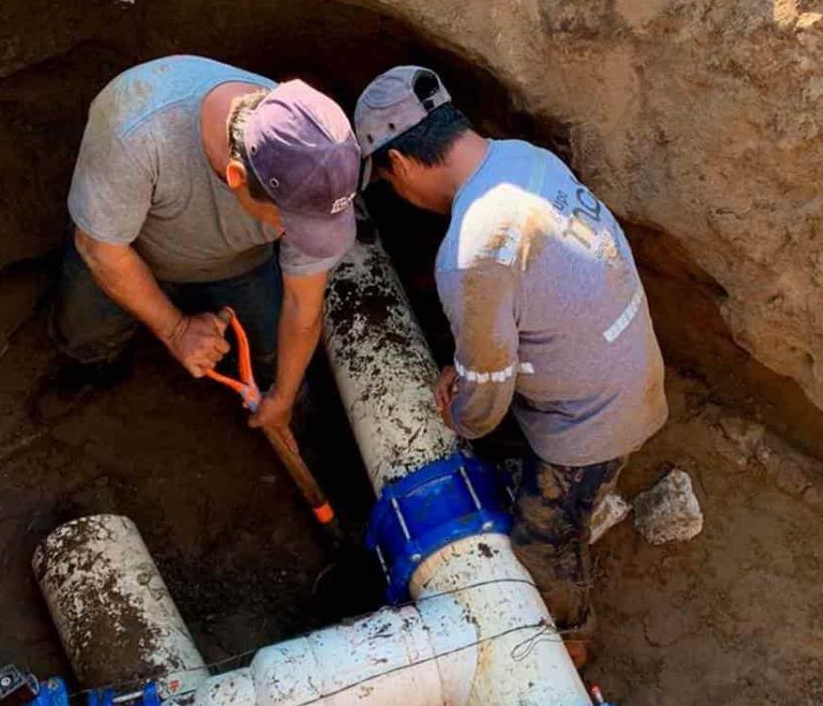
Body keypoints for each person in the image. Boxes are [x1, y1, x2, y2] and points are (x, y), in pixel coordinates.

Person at [353, 66, 669, 665]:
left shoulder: (471, 250)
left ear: (398, 165)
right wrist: (473, 365)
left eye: (388, 181)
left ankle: (571, 637)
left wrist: (461, 414)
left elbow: (485, 401)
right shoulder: (524, 161)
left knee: (542, 538)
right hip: (627, 368)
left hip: (593, 425)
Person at [47, 55, 359, 449]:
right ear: (236, 178)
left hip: (239, 264)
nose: (293, 237)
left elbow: (303, 306)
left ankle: (300, 426)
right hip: (128, 252)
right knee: (85, 335)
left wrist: (283, 396)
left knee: (278, 361)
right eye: (289, 225)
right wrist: (175, 330)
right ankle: (97, 371)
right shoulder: (136, 126)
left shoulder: (315, 157)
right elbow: (101, 250)